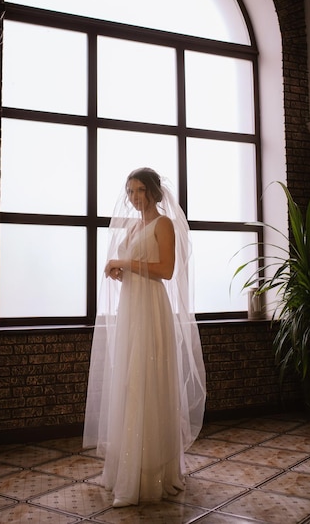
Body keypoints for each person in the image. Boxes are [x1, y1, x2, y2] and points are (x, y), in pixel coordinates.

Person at [83, 167, 206, 507]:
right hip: (132, 308)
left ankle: (153, 475)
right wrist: (120, 272)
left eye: (140, 190)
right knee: (128, 381)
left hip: (152, 310)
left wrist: (124, 260)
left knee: (147, 379)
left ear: (154, 191)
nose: (135, 197)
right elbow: (137, 271)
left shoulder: (163, 224)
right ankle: (130, 469)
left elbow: (166, 270)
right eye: (131, 191)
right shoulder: (135, 225)